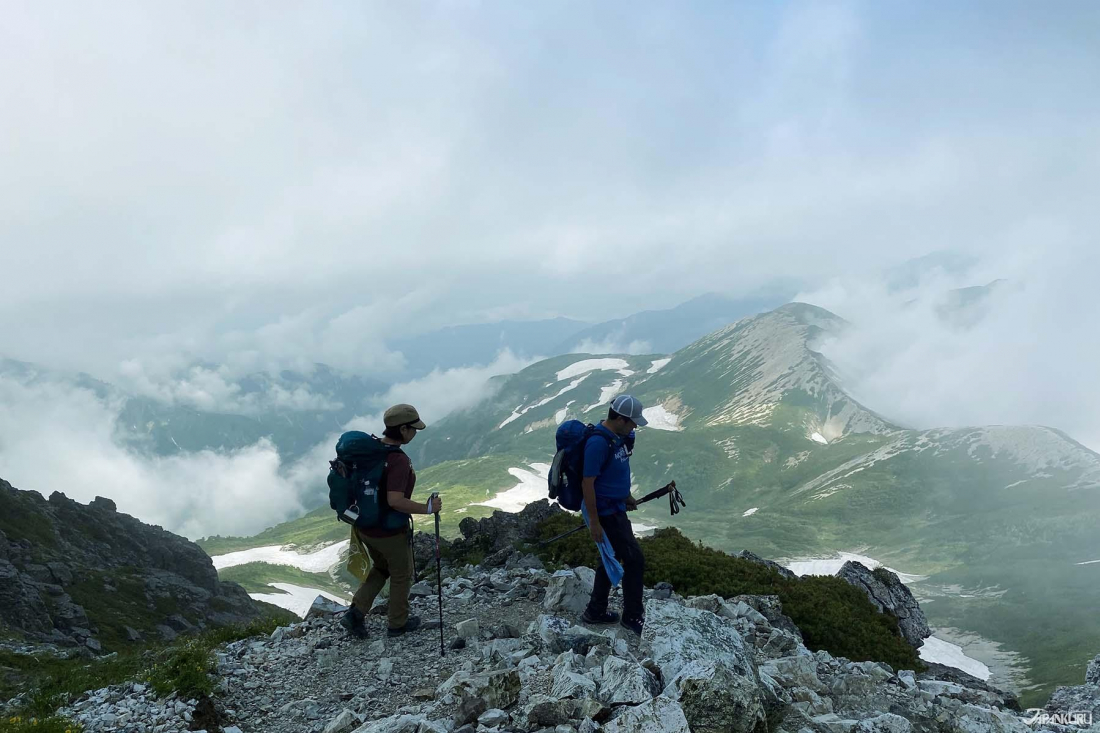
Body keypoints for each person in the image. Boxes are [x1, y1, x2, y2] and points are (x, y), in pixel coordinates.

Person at [341, 404, 442, 638]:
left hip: (364, 525)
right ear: (403, 429)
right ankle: (398, 624)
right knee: (401, 574)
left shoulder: (373, 450)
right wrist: (428, 508)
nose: (415, 433)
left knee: (381, 567)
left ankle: (355, 614)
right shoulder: (398, 460)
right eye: (413, 429)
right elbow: (395, 500)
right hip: (388, 531)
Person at [581, 394, 647, 634]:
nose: (635, 426)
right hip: (606, 513)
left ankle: (595, 610)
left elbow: (615, 472)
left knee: (610, 557)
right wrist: (595, 523)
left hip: (616, 506)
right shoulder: (599, 443)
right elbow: (587, 483)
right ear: (620, 419)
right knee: (634, 559)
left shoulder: (617, 438)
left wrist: (625, 496)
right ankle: (632, 616)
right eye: (632, 422)